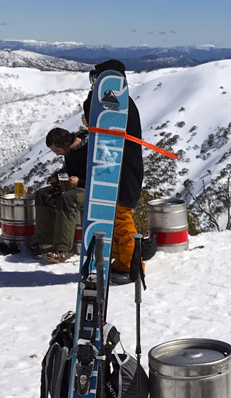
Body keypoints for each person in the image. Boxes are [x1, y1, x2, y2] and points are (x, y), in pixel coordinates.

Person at [83, 59, 144, 285]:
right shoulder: (122, 102)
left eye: (97, 79)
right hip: (118, 169)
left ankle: (131, 267)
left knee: (120, 217)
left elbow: (95, 114)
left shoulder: (117, 102)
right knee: (114, 218)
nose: (93, 84)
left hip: (123, 171)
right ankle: (121, 262)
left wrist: (93, 96)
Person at [28, 128, 88, 263]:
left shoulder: (89, 148)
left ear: (64, 144)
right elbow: (69, 169)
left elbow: (100, 175)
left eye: (57, 150)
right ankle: (45, 242)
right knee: (43, 194)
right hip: (74, 185)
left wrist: (80, 182)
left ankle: (62, 249)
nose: (57, 154)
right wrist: (57, 177)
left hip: (90, 189)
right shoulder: (69, 151)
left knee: (67, 199)